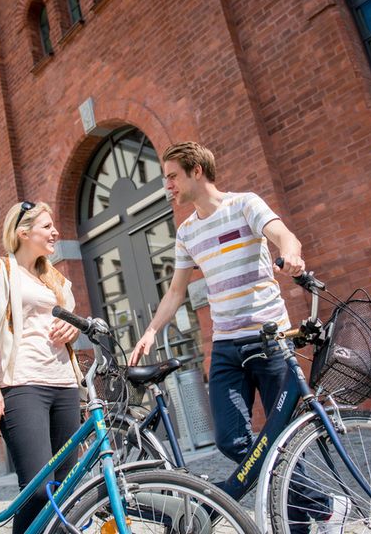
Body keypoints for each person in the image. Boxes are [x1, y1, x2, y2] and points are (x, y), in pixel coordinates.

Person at [129, 142, 348, 533]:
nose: (168, 186)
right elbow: (177, 291)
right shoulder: (186, 232)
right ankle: (326, 506)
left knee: (281, 442)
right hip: (226, 346)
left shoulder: (244, 204)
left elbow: (284, 235)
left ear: (196, 171)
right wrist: (149, 331)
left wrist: (292, 254)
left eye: (172, 176)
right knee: (232, 441)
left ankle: (300, 519)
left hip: (271, 338)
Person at [0, 201, 83, 533]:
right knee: (38, 489)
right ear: (23, 232)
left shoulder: (53, 279)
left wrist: (72, 328)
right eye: (47, 226)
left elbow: (67, 323)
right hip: (22, 386)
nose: (55, 232)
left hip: (64, 384)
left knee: (66, 488)